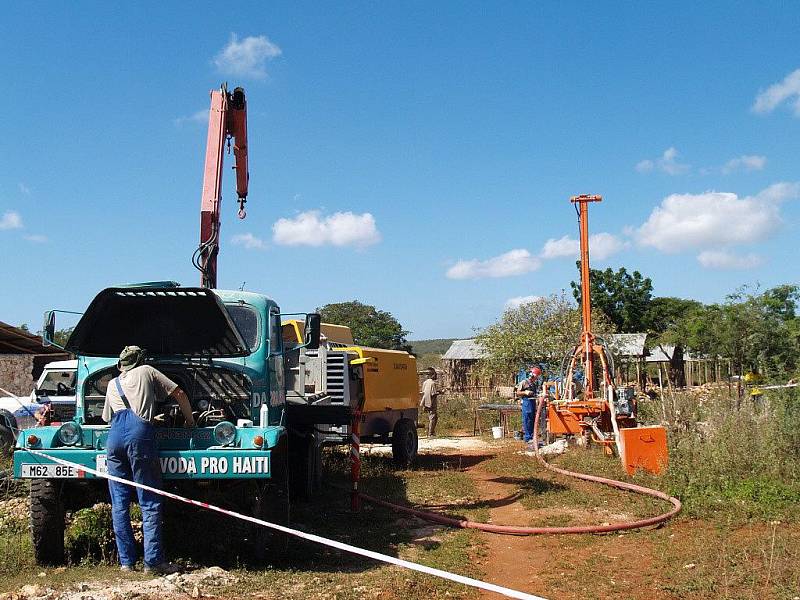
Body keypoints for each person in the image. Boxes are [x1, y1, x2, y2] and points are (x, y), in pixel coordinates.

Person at [102, 346, 195, 573]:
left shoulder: (112, 383)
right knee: (149, 499)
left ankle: (126, 563)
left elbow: (111, 417)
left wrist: (149, 417)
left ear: (121, 365)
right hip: (139, 438)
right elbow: (179, 393)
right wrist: (190, 422)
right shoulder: (146, 370)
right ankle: (153, 562)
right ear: (141, 360)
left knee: (120, 503)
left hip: (114, 440)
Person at [515, 366, 542, 445]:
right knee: (527, 420)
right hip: (526, 402)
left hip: (533, 402)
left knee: (533, 420)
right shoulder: (524, 382)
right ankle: (528, 438)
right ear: (532, 375)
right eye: (536, 376)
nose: (536, 378)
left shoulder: (533, 384)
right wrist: (525, 392)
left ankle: (532, 436)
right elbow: (518, 392)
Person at [419, 368, 442, 437]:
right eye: (435, 375)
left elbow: (424, 392)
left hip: (425, 401)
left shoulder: (425, 382)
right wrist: (440, 392)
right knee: (433, 417)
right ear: (433, 375)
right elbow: (433, 394)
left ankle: (431, 431)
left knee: (432, 417)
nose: (436, 376)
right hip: (431, 403)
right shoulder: (433, 383)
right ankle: (430, 433)